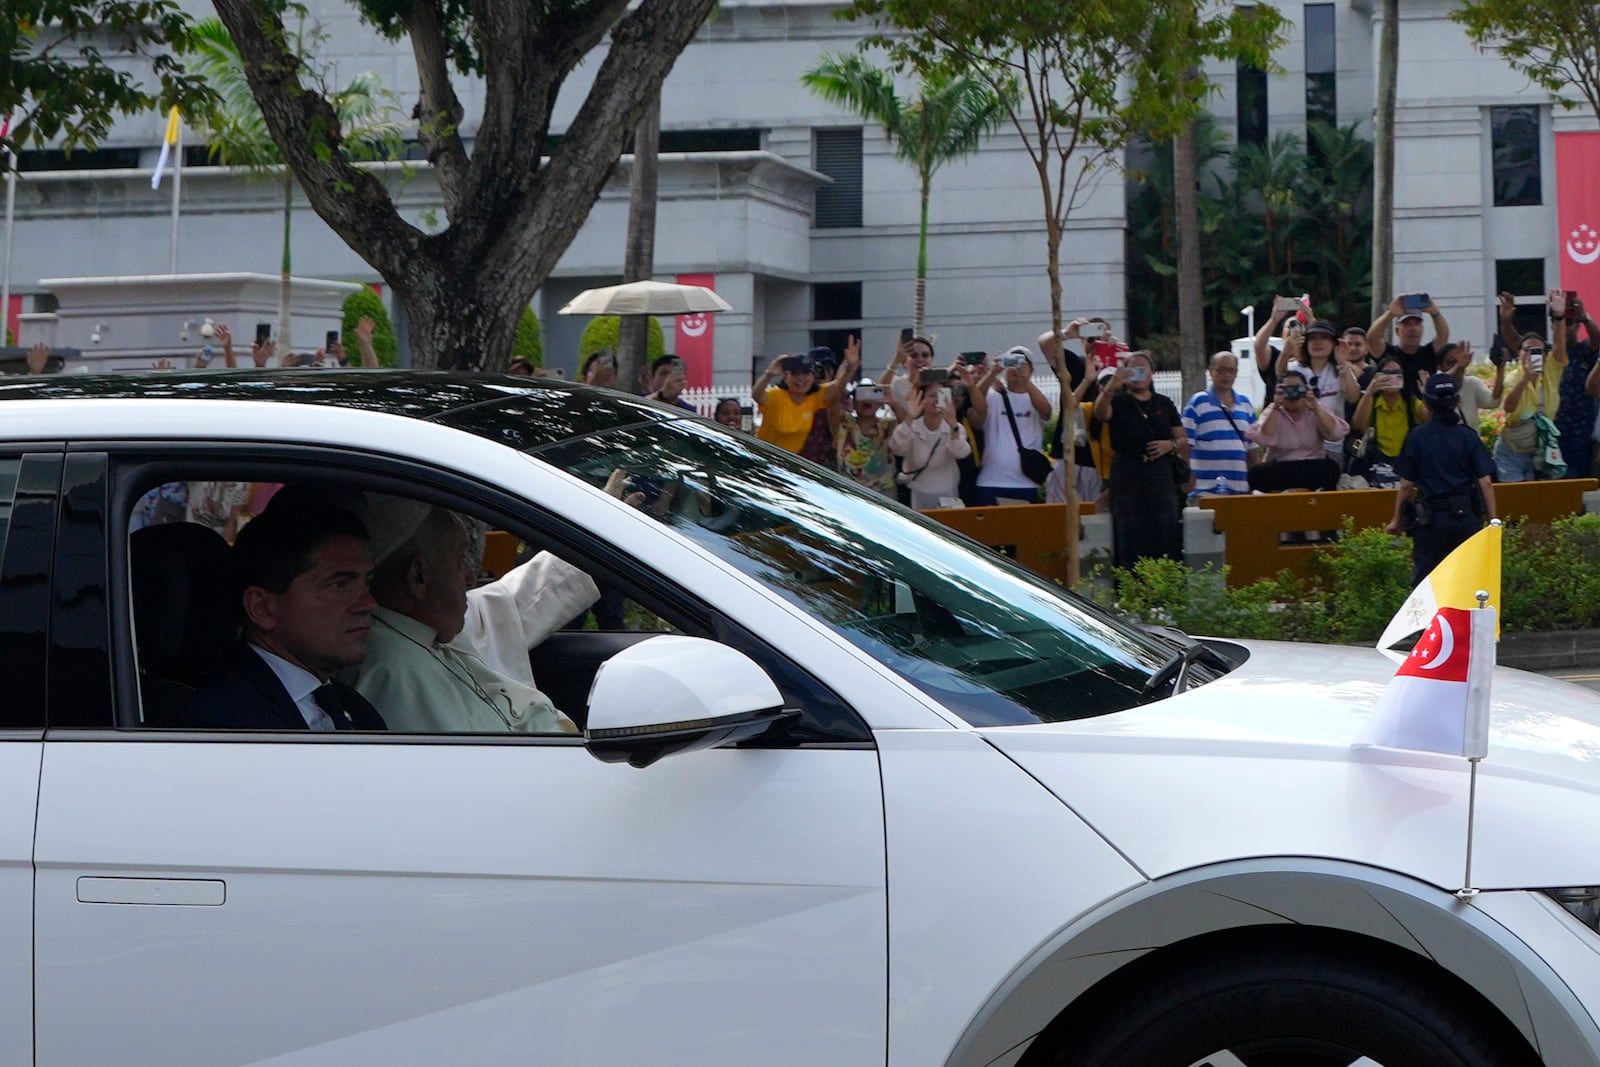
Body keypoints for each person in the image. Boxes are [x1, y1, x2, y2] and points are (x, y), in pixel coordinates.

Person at [345, 496, 600, 734]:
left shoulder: (422, 630)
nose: (470, 578)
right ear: (418, 577)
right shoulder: (393, 671)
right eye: (459, 561)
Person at [187, 500, 387, 731]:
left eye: (367, 584)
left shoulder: (354, 709)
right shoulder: (221, 721)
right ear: (262, 608)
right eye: (339, 584)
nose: (369, 604)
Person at [1388, 374, 1497, 586]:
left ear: (1426, 403)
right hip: (1466, 519)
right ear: (1457, 401)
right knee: (1469, 583)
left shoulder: (1417, 437)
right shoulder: (1468, 436)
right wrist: (1493, 521)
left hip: (1431, 521)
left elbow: (1406, 485)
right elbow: (1486, 483)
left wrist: (1397, 520)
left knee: (1427, 585)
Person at [1093, 350, 1186, 568]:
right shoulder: (1118, 401)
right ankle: (1130, 583)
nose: (1139, 374)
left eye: (1143, 368)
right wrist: (1112, 385)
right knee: (1130, 532)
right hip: (1127, 475)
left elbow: (1182, 439)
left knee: (1164, 529)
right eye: (1133, 369)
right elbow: (1100, 414)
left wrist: (1168, 445)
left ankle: (1164, 580)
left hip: (1160, 474)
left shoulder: (1163, 403)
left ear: (1152, 373)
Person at [1496, 289, 1569, 482]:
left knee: (1542, 502)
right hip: (1512, 450)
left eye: (1538, 350)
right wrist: (1525, 379)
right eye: (1527, 350)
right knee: (1515, 501)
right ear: (1519, 353)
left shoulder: (1550, 372)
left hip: (1542, 449)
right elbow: (1508, 407)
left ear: (1546, 355)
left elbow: (1560, 349)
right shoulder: (1514, 377)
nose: (1533, 354)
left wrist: (1559, 316)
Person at [969, 345, 1053, 505]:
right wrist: (992, 372)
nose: (1016, 368)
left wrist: (1026, 380)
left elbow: (1046, 411)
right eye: (1011, 362)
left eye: (1022, 363)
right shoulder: (993, 398)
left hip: (1025, 483)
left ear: (1031, 369)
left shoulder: (1036, 397)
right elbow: (974, 401)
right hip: (990, 481)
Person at [1247, 368, 1349, 492]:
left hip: (1312, 466)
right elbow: (1263, 439)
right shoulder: (1273, 410)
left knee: (1330, 467)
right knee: (1256, 473)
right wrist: (1276, 407)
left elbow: (1336, 434)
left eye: (1297, 388)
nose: (1293, 394)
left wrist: (1316, 408)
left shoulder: (1317, 407)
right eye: (1288, 389)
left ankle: (1294, 493)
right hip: (1281, 467)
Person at [1276, 317, 1358, 463]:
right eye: (1313, 338)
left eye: (1324, 338)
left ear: (1334, 343)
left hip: (1331, 445)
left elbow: (1353, 397)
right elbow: (1280, 374)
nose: (1318, 342)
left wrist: (1343, 363)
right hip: (1298, 445)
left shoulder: (1340, 370)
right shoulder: (1296, 367)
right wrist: (1286, 351)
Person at [752, 340, 857, 454]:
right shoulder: (776, 395)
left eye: (806, 373)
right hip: (764, 457)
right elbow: (756, 395)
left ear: (813, 377)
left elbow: (838, 386)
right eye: (795, 373)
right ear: (786, 377)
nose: (800, 378)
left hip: (790, 463)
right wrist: (769, 373)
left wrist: (850, 368)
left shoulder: (814, 396)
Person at [1182, 350, 1257, 497]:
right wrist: (1186, 475)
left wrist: (1256, 481)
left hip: (1239, 489)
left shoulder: (1245, 404)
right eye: (1221, 370)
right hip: (1205, 490)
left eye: (1231, 370)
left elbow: (1252, 447)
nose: (1227, 375)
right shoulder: (1197, 402)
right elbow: (1185, 443)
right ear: (1211, 372)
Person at [1349, 354, 1428, 487]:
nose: (1392, 377)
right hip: (1376, 466)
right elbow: (1358, 425)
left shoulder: (1411, 403)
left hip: (1406, 467)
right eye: (1387, 373)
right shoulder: (1372, 403)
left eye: (1397, 373)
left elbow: (1429, 420)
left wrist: (1426, 394)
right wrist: (1370, 391)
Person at [888, 383, 970, 509]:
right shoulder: (912, 426)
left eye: (941, 395)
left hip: (947, 491)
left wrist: (953, 426)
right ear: (921, 400)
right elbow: (897, 448)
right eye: (932, 395)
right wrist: (909, 417)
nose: (937, 400)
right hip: (916, 490)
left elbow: (961, 453)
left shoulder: (954, 427)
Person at [1366, 292, 1450, 399]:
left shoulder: (1429, 353)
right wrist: (1390, 314)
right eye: (1407, 324)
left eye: (1417, 324)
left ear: (1422, 329)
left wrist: (1435, 313)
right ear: (1397, 331)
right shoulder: (1388, 354)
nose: (1413, 328)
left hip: (1423, 411)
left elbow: (1443, 336)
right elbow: (1372, 339)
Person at [1555, 295, 1599, 479]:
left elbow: (1597, 340)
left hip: (1580, 433)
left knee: (1577, 484)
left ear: (1577, 326)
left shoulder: (1583, 351)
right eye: (1560, 323)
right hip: (1553, 434)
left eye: (1570, 323)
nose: (1565, 328)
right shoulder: (1549, 355)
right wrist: (1506, 321)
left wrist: (1583, 316)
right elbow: (1518, 342)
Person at [835, 379, 897, 497]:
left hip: (884, 494)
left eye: (871, 394)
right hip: (849, 493)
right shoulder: (843, 424)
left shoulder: (888, 425)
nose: (866, 399)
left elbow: (908, 424)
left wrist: (893, 403)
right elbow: (833, 402)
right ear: (853, 402)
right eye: (861, 395)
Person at [1435, 340, 1500, 431]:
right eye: (1451, 362)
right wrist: (1458, 366)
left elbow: (1493, 402)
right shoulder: (1435, 387)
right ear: (1440, 367)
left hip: (1470, 443)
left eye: (1459, 360)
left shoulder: (1472, 383)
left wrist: (1501, 368)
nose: (1459, 364)